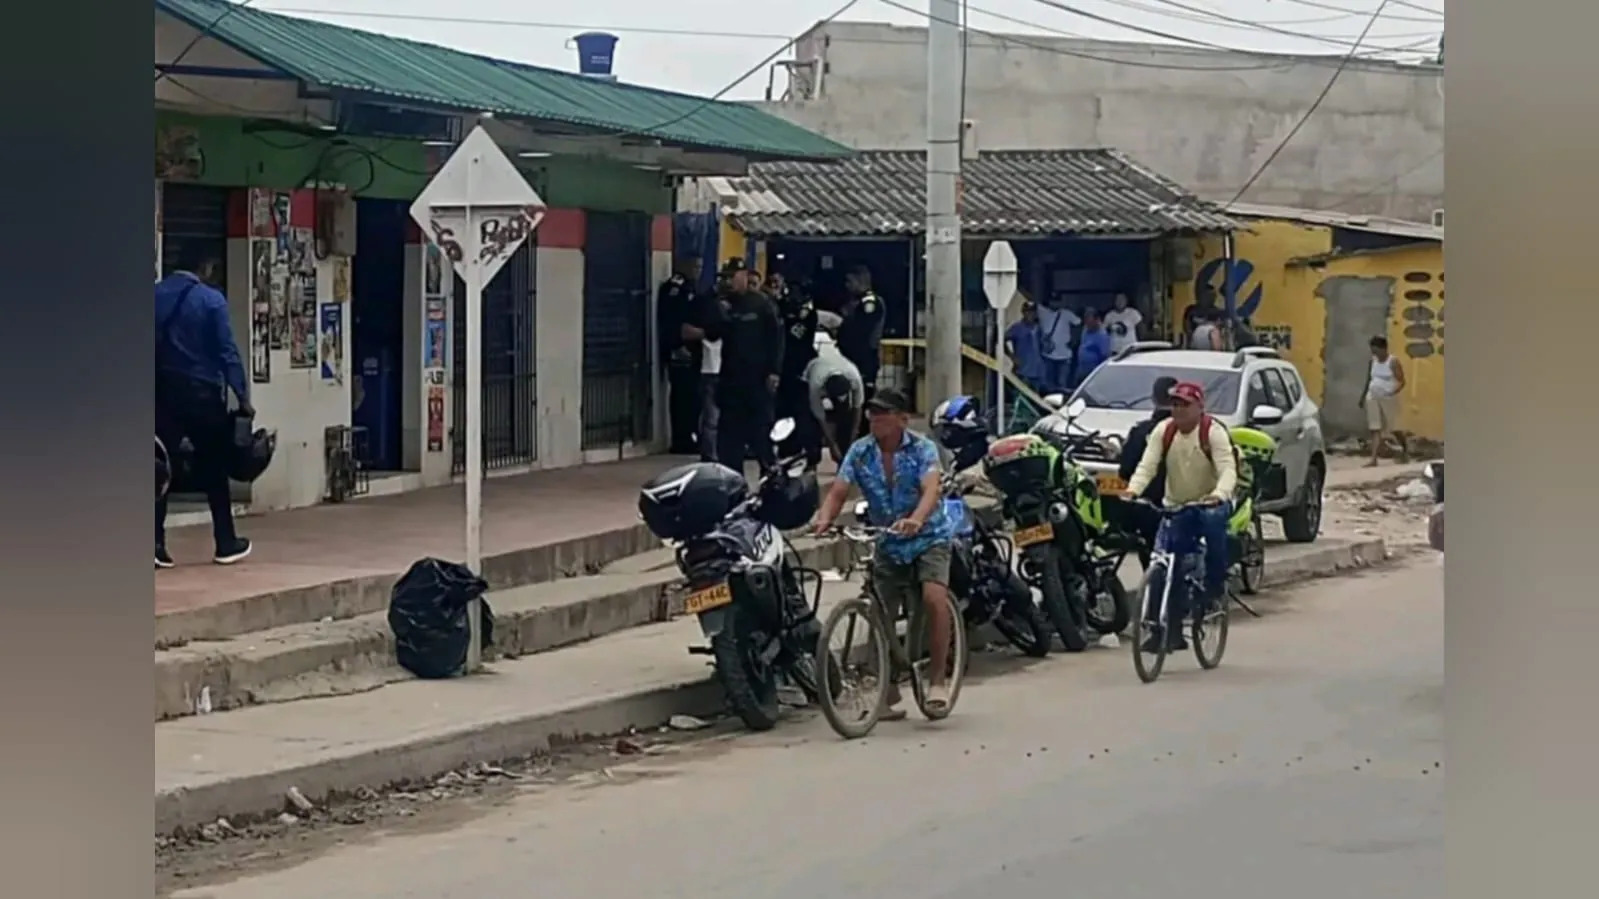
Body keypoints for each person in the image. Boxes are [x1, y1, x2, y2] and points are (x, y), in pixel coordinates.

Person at [813, 388, 956, 716]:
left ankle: (938, 680)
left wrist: (917, 519)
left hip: (928, 536)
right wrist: (824, 520)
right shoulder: (860, 451)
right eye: (872, 414)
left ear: (903, 419)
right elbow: (838, 491)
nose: (875, 420)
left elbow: (931, 489)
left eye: (883, 414)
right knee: (879, 612)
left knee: (934, 598)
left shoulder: (923, 449)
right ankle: (885, 690)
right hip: (888, 540)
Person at [1121, 382, 1237, 652]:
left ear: (1200, 407)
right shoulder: (1164, 431)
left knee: (1213, 525)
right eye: (1174, 404)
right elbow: (1147, 466)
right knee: (1165, 566)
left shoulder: (1213, 432)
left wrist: (1219, 494)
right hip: (1176, 505)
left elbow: (1228, 469)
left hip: (1209, 502)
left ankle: (1215, 584)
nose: (1179, 410)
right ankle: (1163, 631)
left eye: (1185, 404)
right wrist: (1133, 490)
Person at [155, 251, 253, 569]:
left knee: (158, 467)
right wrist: (242, 394)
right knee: (214, 467)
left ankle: (155, 544)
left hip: (162, 393)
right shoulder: (211, 300)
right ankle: (225, 542)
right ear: (205, 266)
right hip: (203, 394)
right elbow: (227, 350)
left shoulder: (154, 295)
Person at [702, 258, 785, 472]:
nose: (729, 281)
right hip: (731, 381)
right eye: (726, 277)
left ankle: (771, 479)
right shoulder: (723, 304)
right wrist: (717, 308)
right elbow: (712, 334)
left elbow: (776, 339)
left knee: (762, 436)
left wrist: (774, 371)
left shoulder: (761, 304)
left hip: (758, 380)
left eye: (733, 276)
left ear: (744, 276)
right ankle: (733, 482)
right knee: (729, 441)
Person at [1115, 375, 1179, 570]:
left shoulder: (1140, 432)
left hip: (1148, 509)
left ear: (1153, 399)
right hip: (1183, 508)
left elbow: (1125, 470)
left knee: (1151, 557)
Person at [657, 256, 704, 455]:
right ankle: (682, 439)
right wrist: (676, 345)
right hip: (680, 351)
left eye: (700, 267)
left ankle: (691, 437)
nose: (698, 270)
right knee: (682, 397)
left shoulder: (692, 288)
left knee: (693, 398)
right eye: (694, 266)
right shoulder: (675, 288)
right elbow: (670, 320)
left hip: (693, 351)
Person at [803, 333, 866, 467]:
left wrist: (852, 439)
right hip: (811, 370)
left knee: (845, 419)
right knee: (810, 423)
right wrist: (832, 444)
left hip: (840, 367)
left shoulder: (855, 378)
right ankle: (812, 459)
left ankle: (844, 460)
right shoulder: (816, 383)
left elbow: (858, 408)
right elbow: (821, 417)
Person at [775, 272, 820, 461]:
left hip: (801, 369)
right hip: (784, 368)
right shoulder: (779, 309)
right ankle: (787, 448)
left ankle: (808, 449)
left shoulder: (808, 315)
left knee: (803, 412)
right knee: (783, 412)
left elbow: (796, 336)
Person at [837, 265, 886, 436]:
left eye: (850, 281)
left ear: (860, 281)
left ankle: (863, 434)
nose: (847, 286)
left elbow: (861, 331)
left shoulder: (869, 303)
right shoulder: (856, 302)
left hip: (864, 359)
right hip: (852, 358)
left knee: (863, 399)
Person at [1361, 335, 1409, 466]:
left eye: (1376, 350)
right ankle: (1374, 459)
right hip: (1372, 396)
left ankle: (1405, 450)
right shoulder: (1373, 361)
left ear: (1383, 349)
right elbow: (1369, 380)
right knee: (1375, 428)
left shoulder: (1393, 362)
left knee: (1394, 428)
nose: (1374, 353)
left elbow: (1401, 381)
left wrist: (1391, 392)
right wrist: (1363, 396)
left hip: (1388, 397)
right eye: (1373, 350)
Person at [1035, 296, 1080, 393]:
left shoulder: (1067, 313)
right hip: (1048, 356)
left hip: (1064, 356)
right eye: (1053, 301)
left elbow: (1079, 323)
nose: (1055, 303)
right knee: (1048, 386)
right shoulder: (1042, 311)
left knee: (1062, 386)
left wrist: (1074, 339)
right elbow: (1030, 298)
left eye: (1057, 301)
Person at [1004, 300, 1047, 394]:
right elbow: (1002, 340)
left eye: (1032, 312)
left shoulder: (1038, 328)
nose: (1030, 314)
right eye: (1028, 312)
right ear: (1023, 313)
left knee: (1036, 397)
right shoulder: (1017, 328)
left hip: (1037, 371)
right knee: (1019, 396)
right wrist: (1012, 356)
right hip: (1022, 370)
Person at [1073, 307, 1112, 387]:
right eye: (1085, 319)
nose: (1086, 322)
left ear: (1096, 320)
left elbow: (1105, 356)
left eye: (1089, 320)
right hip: (1081, 369)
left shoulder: (1102, 335)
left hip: (1093, 373)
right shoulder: (1085, 330)